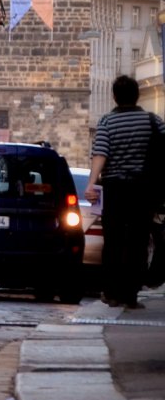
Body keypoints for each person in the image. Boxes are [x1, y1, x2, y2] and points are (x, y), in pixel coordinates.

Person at [82, 73, 164, 311]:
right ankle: (130, 294)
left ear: (115, 97)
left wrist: (91, 184)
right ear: (137, 96)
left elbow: (101, 154)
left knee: (114, 241)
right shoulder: (152, 121)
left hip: (115, 189)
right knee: (139, 241)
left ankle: (112, 292)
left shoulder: (108, 122)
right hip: (143, 190)